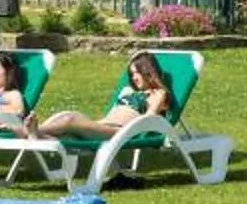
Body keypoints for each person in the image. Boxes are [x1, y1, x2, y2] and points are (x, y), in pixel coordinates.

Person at [35, 51, 172, 141]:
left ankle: (33, 130)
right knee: (68, 124)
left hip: (119, 132)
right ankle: (35, 135)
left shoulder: (159, 94)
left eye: (137, 73)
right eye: (132, 74)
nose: (134, 78)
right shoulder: (129, 91)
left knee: (70, 120)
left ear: (148, 72)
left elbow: (149, 119)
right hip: (103, 125)